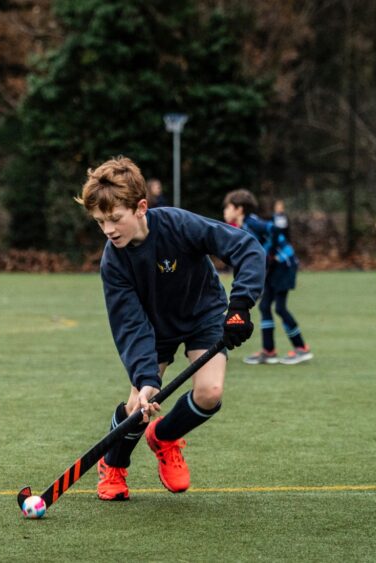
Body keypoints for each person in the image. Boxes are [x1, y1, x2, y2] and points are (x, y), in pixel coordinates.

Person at [74, 157, 264, 502]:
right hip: (153, 327)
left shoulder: (178, 224)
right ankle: (114, 463)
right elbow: (129, 324)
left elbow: (246, 247)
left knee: (210, 391)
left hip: (202, 313)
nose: (108, 230)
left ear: (141, 208)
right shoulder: (113, 262)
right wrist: (147, 380)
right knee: (137, 407)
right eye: (100, 222)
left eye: (115, 219)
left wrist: (239, 307)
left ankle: (164, 437)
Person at [223, 191, 312, 365]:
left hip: (284, 265)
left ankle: (301, 348)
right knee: (265, 306)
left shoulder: (252, 223)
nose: (225, 211)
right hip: (274, 268)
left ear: (239, 209)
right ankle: (268, 351)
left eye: (228, 207)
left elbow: (274, 229)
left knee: (279, 308)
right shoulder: (244, 226)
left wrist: (266, 251)